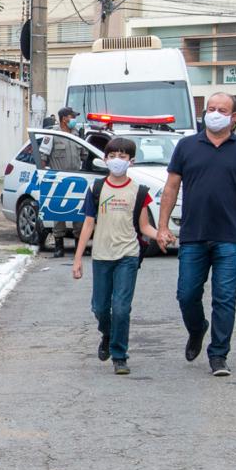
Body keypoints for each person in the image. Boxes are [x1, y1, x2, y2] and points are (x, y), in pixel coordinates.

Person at [157, 92, 236, 377]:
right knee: (186, 294)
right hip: (194, 234)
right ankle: (197, 329)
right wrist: (162, 226)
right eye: (211, 108)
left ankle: (219, 354)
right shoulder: (186, 146)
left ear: (233, 118)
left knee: (225, 297)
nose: (215, 113)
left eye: (222, 109)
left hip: (230, 236)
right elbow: (171, 187)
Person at [71, 138, 159, 375]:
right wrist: (78, 259)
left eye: (122, 156)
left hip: (128, 256)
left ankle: (120, 355)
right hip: (101, 256)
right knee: (100, 307)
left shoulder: (139, 192)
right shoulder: (97, 189)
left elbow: (144, 227)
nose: (117, 160)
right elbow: (88, 224)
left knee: (121, 308)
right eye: (113, 156)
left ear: (131, 161)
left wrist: (161, 235)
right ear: (105, 159)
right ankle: (108, 335)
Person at [38, 107, 85, 257]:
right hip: (58, 180)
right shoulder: (52, 135)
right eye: (72, 117)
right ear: (64, 118)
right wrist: (46, 177)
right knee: (59, 215)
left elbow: (84, 156)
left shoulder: (77, 134)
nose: (74, 120)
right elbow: (42, 158)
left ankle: (79, 246)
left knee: (78, 214)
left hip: (77, 180)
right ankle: (59, 247)